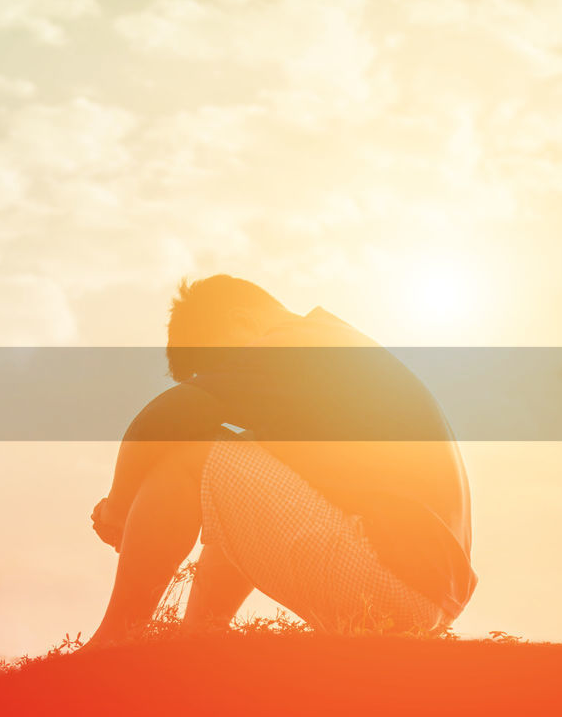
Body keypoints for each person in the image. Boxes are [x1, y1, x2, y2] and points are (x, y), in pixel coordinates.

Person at [84, 275, 477, 645]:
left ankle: (116, 637)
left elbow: (164, 417)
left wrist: (118, 509)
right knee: (234, 473)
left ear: (243, 322)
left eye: (217, 363)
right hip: (426, 598)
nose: (223, 376)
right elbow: (249, 497)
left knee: (190, 453)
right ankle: (199, 637)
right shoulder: (335, 360)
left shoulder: (294, 342)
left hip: (387, 573)